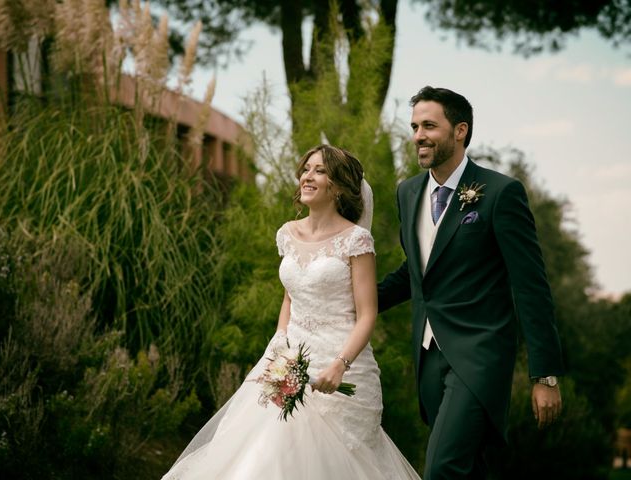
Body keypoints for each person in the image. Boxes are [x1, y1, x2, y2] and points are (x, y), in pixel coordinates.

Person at [163, 144, 421, 479]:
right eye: (306, 169)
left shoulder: (356, 240)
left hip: (339, 364)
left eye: (320, 170)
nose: (308, 176)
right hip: (288, 358)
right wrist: (279, 341)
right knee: (267, 456)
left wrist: (340, 365)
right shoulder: (288, 233)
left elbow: (367, 314)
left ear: (339, 187)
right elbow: (291, 297)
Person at [377, 86, 564, 479]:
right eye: (414, 127)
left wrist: (545, 374)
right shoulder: (408, 193)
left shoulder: (500, 193)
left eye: (429, 125)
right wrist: (349, 303)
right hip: (428, 356)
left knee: (443, 467)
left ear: (460, 130)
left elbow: (531, 286)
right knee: (469, 468)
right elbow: (415, 272)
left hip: (480, 355)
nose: (418, 136)